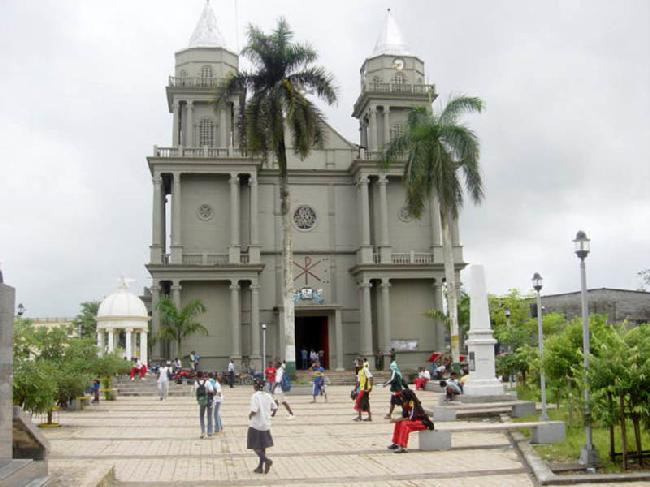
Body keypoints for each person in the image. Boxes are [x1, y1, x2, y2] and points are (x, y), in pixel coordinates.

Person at [387, 388, 435, 453]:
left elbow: (411, 417)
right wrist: (397, 420)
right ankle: (396, 443)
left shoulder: (412, 403)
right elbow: (405, 416)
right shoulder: (406, 403)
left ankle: (403, 447)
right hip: (415, 421)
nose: (401, 398)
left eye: (402, 396)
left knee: (404, 424)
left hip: (423, 422)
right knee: (399, 423)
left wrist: (396, 419)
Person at [248, 379, 278, 474]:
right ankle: (260, 467)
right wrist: (272, 415)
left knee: (253, 445)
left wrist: (250, 415)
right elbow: (275, 408)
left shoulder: (255, 396)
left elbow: (254, 410)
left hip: (256, 425)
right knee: (262, 446)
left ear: (255, 386)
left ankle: (266, 460)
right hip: (266, 425)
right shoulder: (268, 395)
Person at [194, 371, 214, 438]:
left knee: (201, 416)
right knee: (209, 416)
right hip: (209, 400)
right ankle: (210, 433)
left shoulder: (196, 383)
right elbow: (211, 390)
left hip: (201, 401)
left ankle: (203, 432)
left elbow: (196, 391)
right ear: (203, 375)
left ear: (197, 376)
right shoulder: (207, 382)